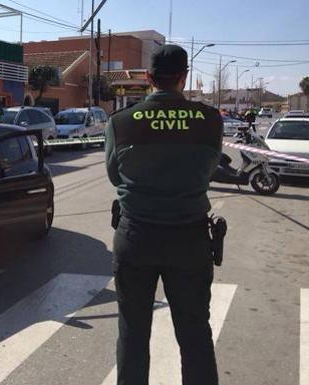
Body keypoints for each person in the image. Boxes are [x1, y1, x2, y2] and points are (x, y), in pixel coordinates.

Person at [105, 44, 223, 385]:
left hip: (136, 237)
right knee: (195, 333)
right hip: (190, 239)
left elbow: (115, 176)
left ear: (148, 78)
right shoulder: (209, 120)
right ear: (183, 78)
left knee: (133, 333)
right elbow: (209, 170)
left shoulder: (122, 122)